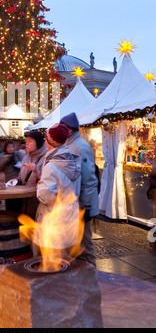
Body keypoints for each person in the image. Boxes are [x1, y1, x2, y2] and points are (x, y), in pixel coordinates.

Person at [34, 123, 81, 256]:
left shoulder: (52, 165)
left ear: (51, 142)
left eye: (46, 139)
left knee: (52, 262)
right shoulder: (72, 161)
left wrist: (39, 188)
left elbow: (45, 196)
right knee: (65, 260)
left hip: (54, 220)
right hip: (70, 216)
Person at [60, 112, 99, 267]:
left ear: (68, 130)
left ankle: (95, 277)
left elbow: (89, 179)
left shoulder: (79, 147)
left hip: (81, 206)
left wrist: (87, 206)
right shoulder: (71, 144)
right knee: (74, 245)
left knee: (85, 245)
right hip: (75, 205)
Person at [12, 131, 47, 217]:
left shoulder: (46, 157)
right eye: (26, 141)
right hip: (25, 199)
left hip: (37, 201)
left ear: (38, 142)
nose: (26, 144)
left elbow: (49, 182)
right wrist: (16, 180)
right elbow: (21, 176)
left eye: (30, 141)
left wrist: (37, 171)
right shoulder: (26, 157)